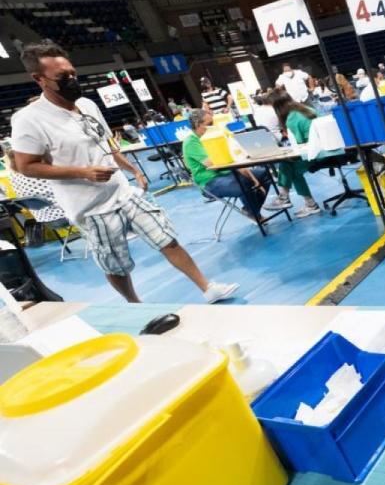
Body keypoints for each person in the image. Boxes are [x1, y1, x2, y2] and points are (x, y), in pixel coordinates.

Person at [11, 43, 238, 303]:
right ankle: (135, 305)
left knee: (166, 238)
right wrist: (82, 172)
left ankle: (208, 288)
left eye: (73, 73)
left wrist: (133, 170)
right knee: (115, 265)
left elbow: (107, 144)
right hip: (90, 207)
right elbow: (26, 166)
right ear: (39, 79)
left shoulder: (87, 105)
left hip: (122, 192)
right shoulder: (29, 119)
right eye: (62, 77)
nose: (71, 80)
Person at [182, 109, 269, 219]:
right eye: (209, 124)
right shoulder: (191, 142)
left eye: (213, 123)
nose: (212, 126)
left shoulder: (214, 135)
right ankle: (254, 212)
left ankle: (251, 209)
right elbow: (212, 164)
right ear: (197, 124)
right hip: (209, 181)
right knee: (243, 182)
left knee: (264, 173)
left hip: (227, 173)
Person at [268, 92, 322, 218]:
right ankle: (306, 203)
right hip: (329, 147)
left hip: (317, 153)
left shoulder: (291, 119)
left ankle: (285, 197)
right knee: (290, 167)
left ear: (278, 107)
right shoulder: (307, 108)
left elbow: (299, 144)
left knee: (290, 168)